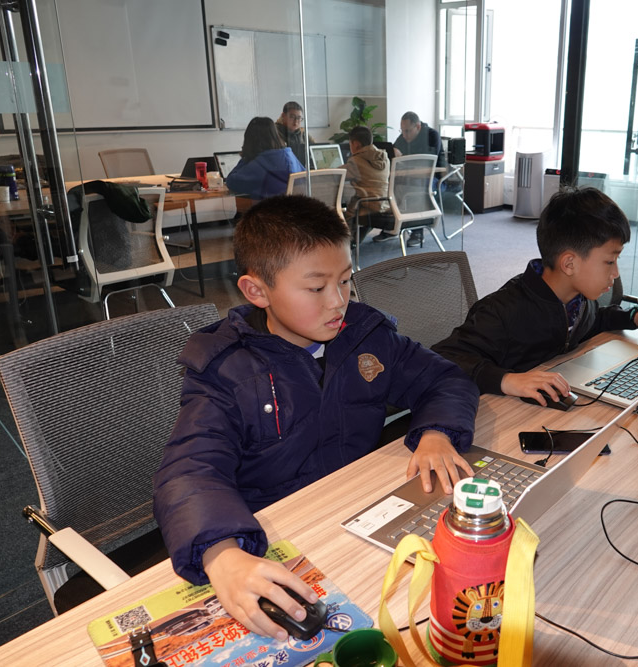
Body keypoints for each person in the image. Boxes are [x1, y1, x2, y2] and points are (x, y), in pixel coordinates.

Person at [153, 196, 479, 639]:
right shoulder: (225, 370)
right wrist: (221, 554)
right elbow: (189, 469)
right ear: (257, 291)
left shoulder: (366, 336)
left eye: (345, 281)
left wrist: (437, 432)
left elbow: (445, 379)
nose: (338, 302)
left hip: (358, 509)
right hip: (273, 533)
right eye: (316, 288)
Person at [431, 187, 638, 404]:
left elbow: (595, 321)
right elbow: (444, 357)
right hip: (499, 413)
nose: (616, 273)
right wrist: (507, 379)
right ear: (569, 264)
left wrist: (635, 318)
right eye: (610, 261)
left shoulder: (578, 302)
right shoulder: (502, 311)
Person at [377, 111, 446, 246]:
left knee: (415, 187)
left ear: (418, 127)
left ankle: (417, 232)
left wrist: (402, 157)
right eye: (402, 131)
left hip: (433, 178)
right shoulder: (404, 136)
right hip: (409, 177)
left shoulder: (431, 136)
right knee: (390, 186)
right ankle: (393, 226)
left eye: (407, 131)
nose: (404, 135)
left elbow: (427, 161)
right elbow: (393, 152)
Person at [225, 116, 305, 200]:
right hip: (294, 206)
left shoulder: (259, 164)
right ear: (275, 135)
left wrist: (246, 158)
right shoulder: (289, 156)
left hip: (269, 207)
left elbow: (231, 182)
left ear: (250, 140)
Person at [344, 125, 390, 243]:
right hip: (384, 204)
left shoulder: (356, 161)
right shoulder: (384, 158)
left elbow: (338, 174)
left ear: (356, 144)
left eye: (350, 144)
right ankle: (354, 242)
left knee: (342, 213)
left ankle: (347, 244)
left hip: (367, 205)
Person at [276, 101, 309, 167]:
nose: (296, 121)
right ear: (283, 116)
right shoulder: (275, 132)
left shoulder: (303, 134)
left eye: (299, 118)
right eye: (292, 117)